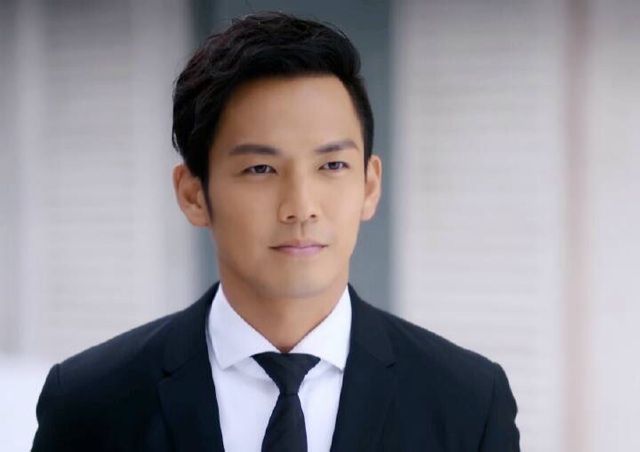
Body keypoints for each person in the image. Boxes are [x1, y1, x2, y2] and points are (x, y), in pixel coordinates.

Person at [31, 11, 520, 452]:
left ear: (370, 185)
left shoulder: (469, 403)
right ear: (193, 195)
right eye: (260, 169)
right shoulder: (89, 404)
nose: (301, 207)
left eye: (332, 165)